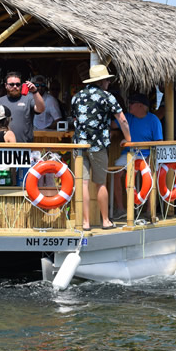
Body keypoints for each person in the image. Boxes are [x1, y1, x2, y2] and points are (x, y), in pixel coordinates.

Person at [72, 64, 131, 231]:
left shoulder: (76, 97)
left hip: (79, 144)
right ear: (103, 81)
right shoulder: (107, 97)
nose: (108, 83)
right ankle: (105, 221)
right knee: (100, 183)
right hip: (98, 145)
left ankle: (85, 223)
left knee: (82, 184)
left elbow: (76, 120)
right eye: (107, 80)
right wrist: (128, 139)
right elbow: (122, 120)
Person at [112, 92, 163, 218]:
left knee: (151, 175)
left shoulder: (153, 120)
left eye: (132, 103)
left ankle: (149, 210)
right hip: (129, 154)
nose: (129, 105)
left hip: (146, 155)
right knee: (116, 174)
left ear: (141, 106)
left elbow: (159, 143)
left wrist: (149, 156)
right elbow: (113, 124)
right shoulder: (128, 117)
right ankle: (120, 209)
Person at [0, 71, 45, 143]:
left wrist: (35, 91)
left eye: (18, 84)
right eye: (11, 84)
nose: (15, 87)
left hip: (25, 146)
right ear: (6, 85)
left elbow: (41, 109)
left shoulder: (28, 99)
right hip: (4, 146)